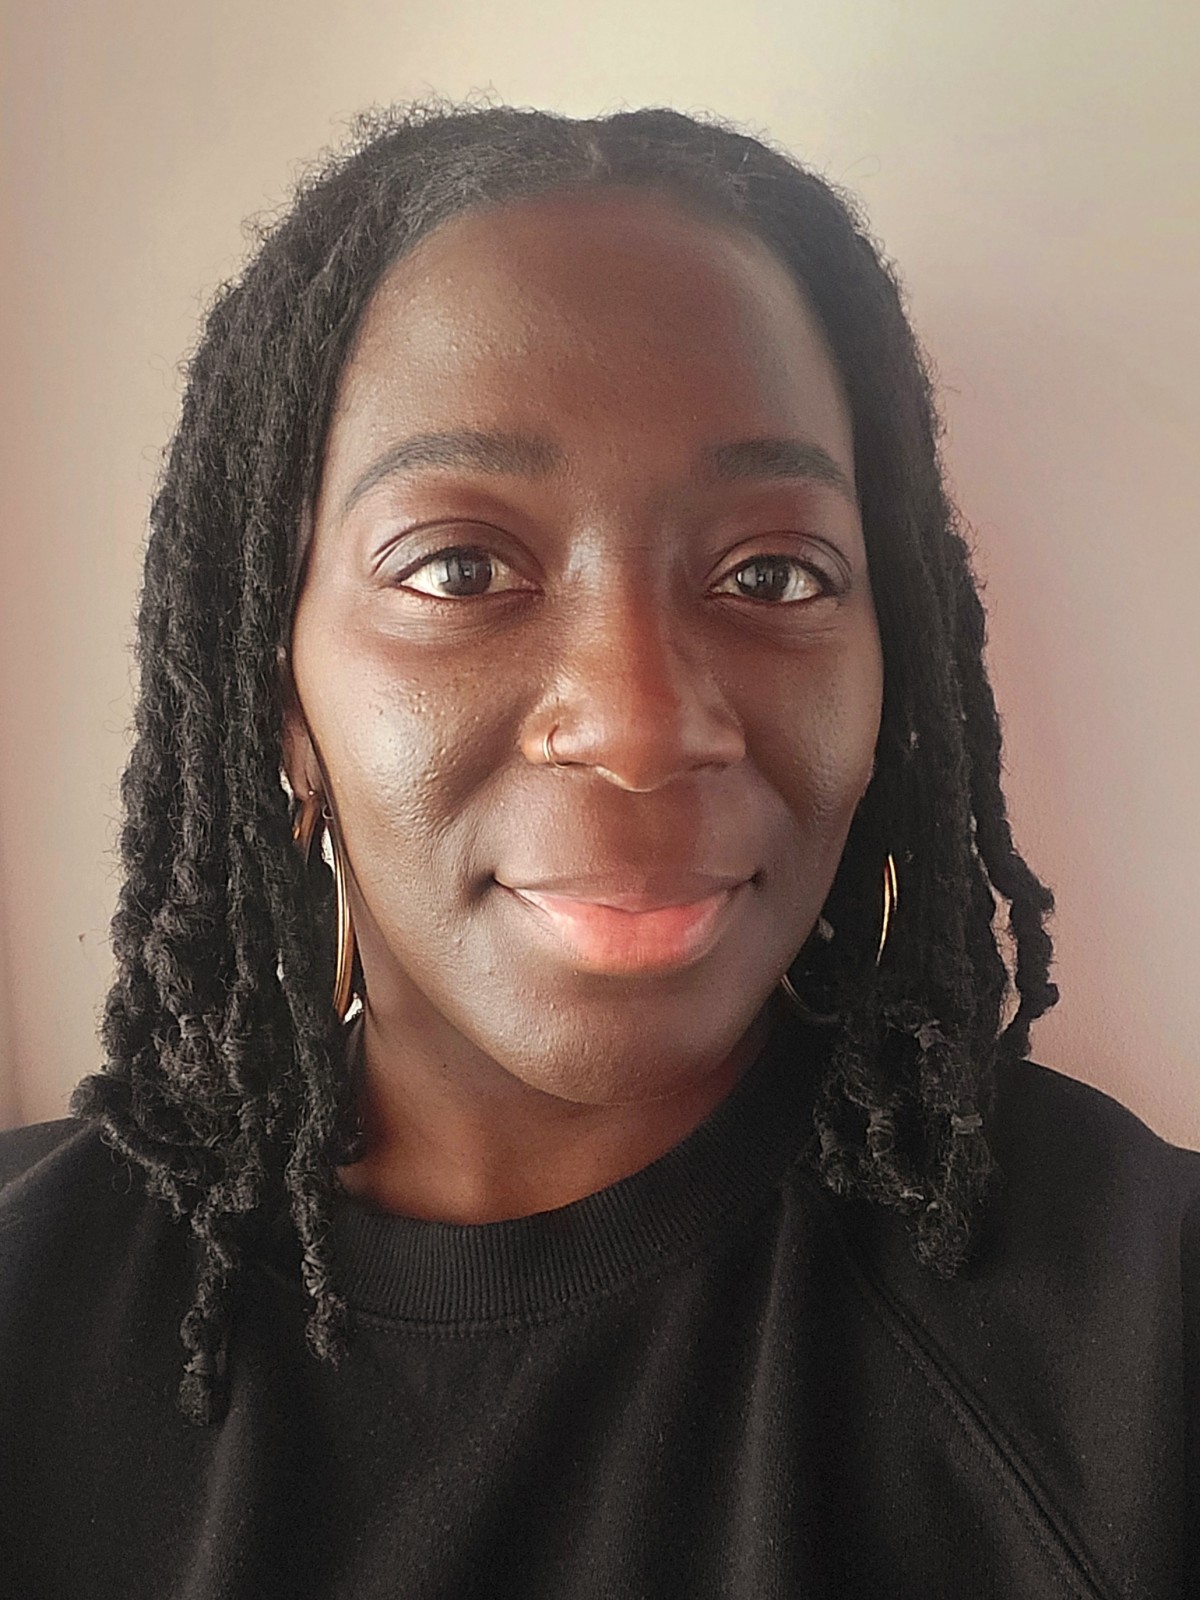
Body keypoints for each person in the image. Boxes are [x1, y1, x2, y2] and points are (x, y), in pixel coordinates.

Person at [0, 100, 1195, 1599]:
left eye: (774, 573)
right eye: (458, 567)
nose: (638, 727)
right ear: (278, 700)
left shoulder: (1142, 1351)